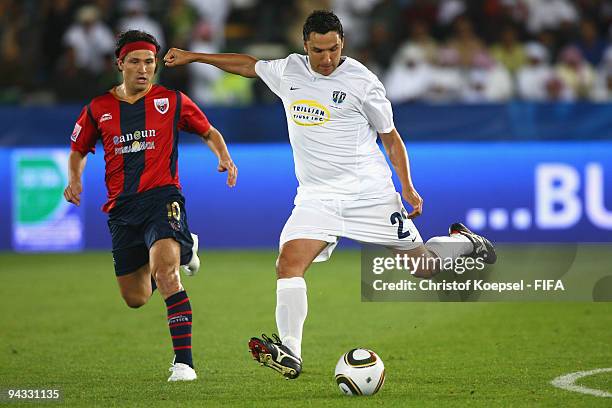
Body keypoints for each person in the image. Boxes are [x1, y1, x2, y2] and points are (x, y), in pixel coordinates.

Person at [164, 10, 496, 380]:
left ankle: (463, 243)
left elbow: (390, 137)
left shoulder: (363, 81)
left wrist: (407, 186)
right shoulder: (290, 70)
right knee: (288, 263)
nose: (326, 59)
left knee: (425, 267)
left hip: (369, 193)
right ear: (305, 45)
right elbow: (248, 65)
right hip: (316, 197)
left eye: (333, 50)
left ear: (343, 44)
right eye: (318, 51)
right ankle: (290, 350)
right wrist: (194, 57)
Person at [64, 30, 237, 382]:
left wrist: (224, 157)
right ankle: (186, 246)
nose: (143, 69)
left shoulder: (171, 100)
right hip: (122, 210)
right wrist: (76, 179)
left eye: (149, 62)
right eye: (135, 62)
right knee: (136, 297)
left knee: (167, 273)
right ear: (120, 64)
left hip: (162, 197)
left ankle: (184, 364)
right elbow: (79, 149)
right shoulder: (98, 108)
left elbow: (208, 131)